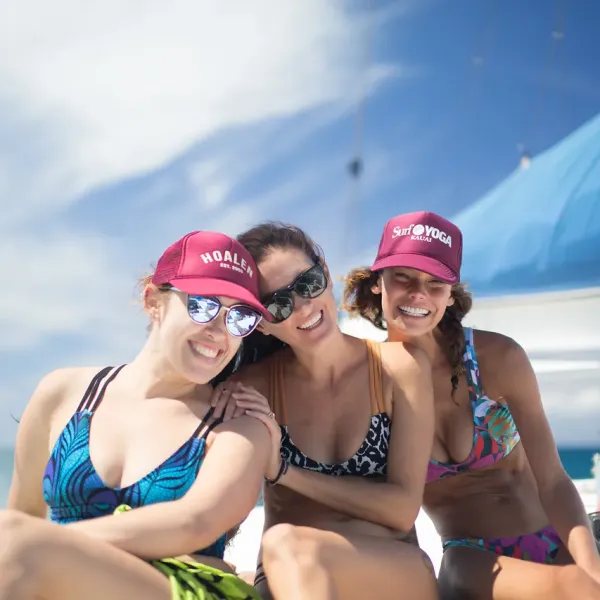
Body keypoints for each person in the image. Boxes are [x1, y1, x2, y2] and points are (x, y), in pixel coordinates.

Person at [1, 231, 281, 600]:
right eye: (203, 305)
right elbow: (23, 514)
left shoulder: (238, 424)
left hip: (184, 589)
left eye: (239, 318)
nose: (219, 331)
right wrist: (34, 542)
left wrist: (46, 542)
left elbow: (195, 521)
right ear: (154, 301)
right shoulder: (63, 393)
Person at [342, 210, 600, 600]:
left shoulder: (497, 357)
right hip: (473, 561)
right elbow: (392, 514)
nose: (418, 295)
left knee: (583, 584)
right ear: (379, 281)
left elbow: (553, 480)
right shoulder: (369, 385)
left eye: (435, 283)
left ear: (451, 292)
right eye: (403, 278)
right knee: (572, 589)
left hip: (562, 535)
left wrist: (591, 566)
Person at [211, 221, 440, 600]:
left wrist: (284, 471)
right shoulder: (249, 390)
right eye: (279, 303)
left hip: (392, 572)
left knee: (285, 540)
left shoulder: (399, 368)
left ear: (327, 274)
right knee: (287, 547)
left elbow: (402, 509)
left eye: (308, 284)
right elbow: (219, 498)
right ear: (261, 324)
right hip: (289, 576)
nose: (302, 307)